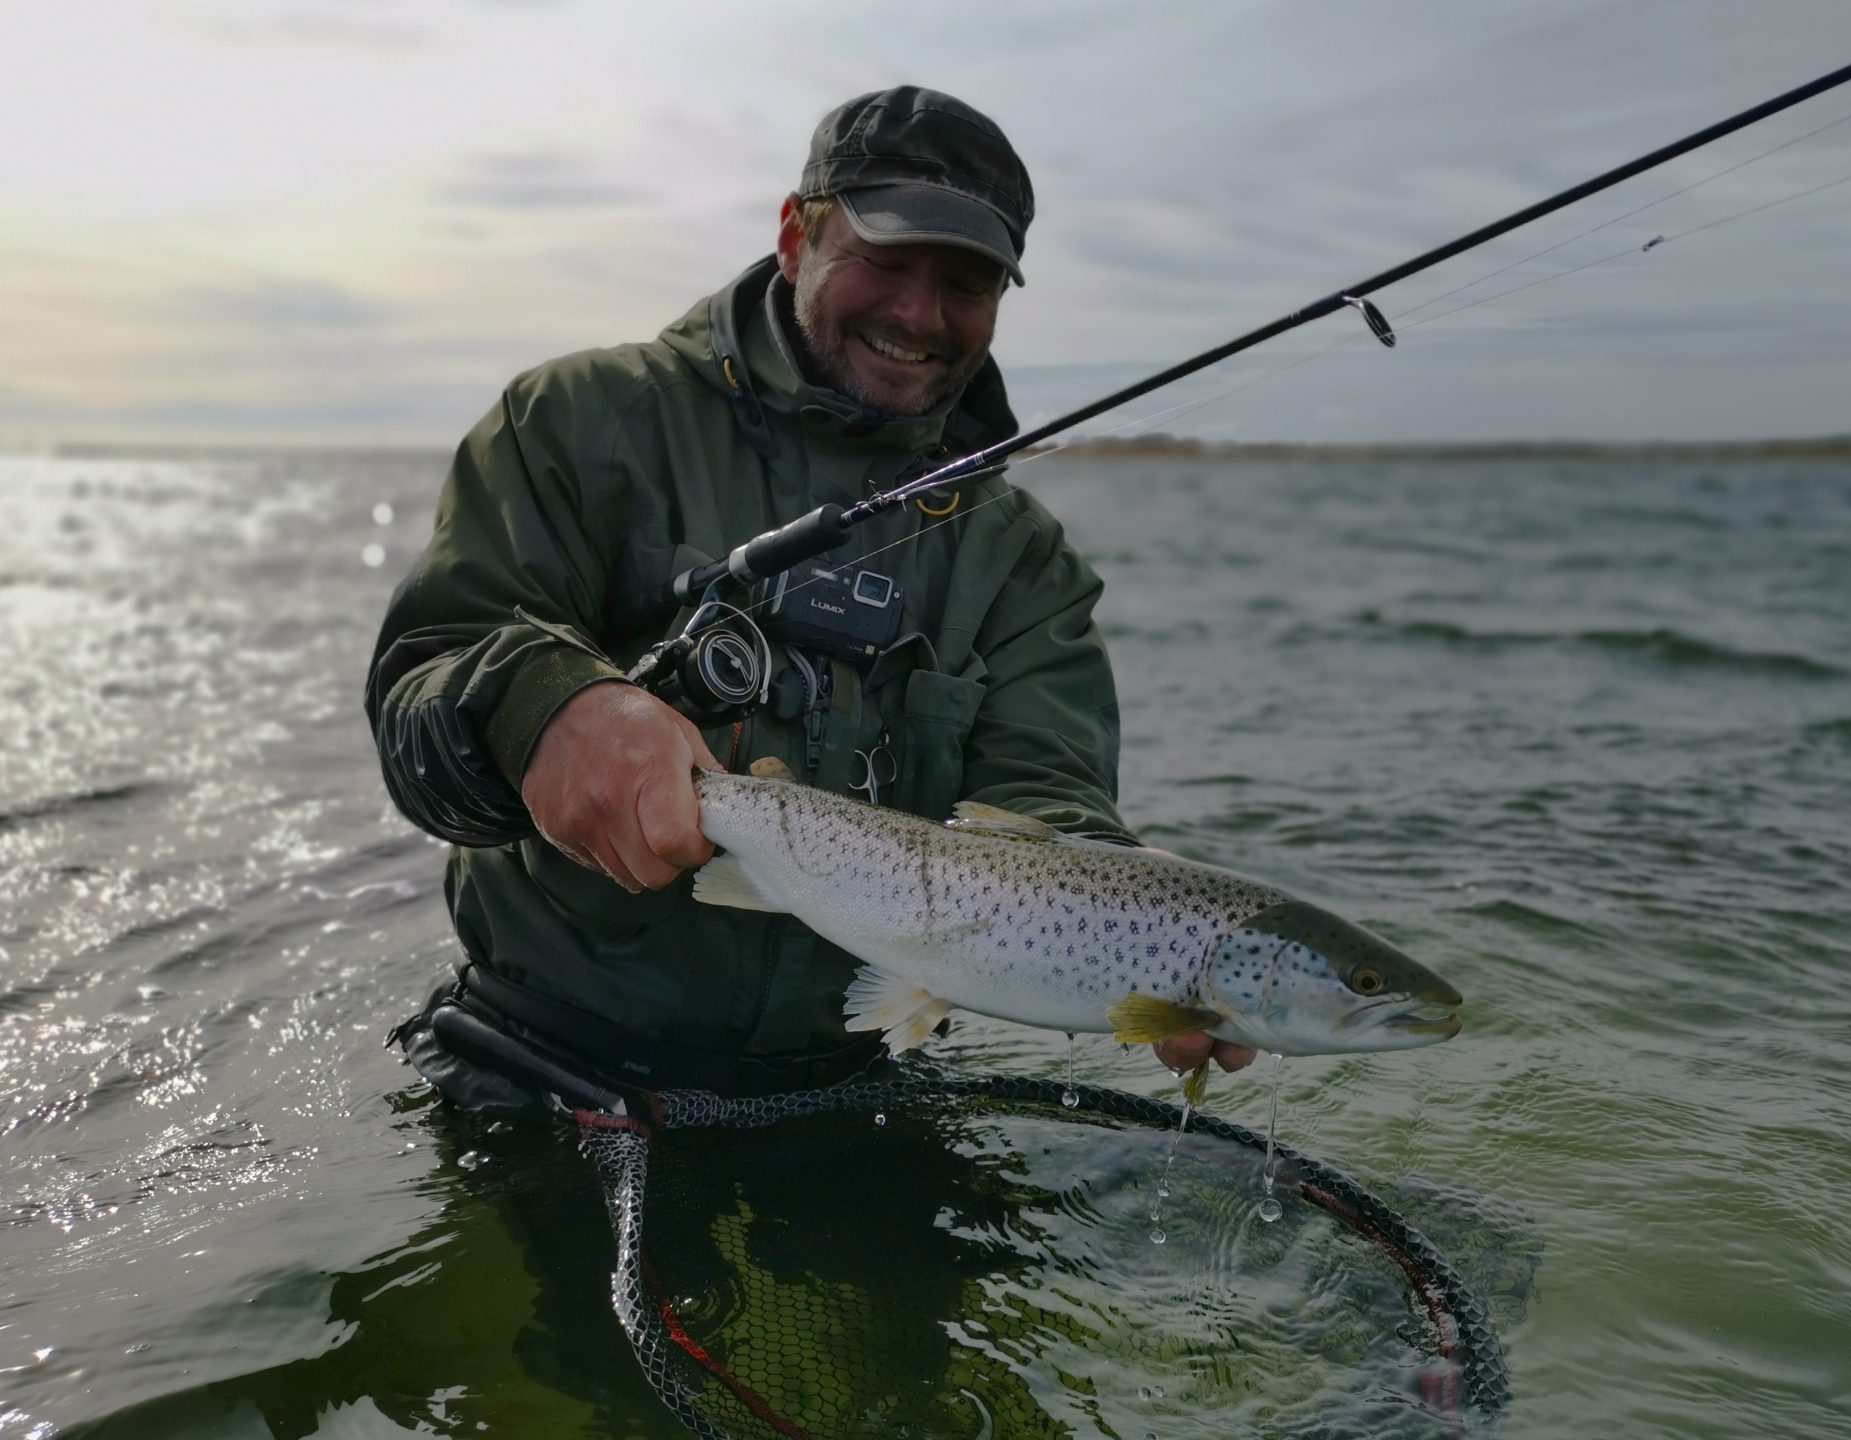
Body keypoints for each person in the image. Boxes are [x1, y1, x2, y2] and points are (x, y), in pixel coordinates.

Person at [367, 85, 1251, 1108]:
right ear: (797, 236)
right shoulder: (576, 421)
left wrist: (1153, 932)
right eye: (885, 260)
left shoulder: (1023, 560)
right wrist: (542, 705)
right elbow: (420, 691)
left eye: (966, 281)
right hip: (542, 1061)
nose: (919, 315)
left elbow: (1048, 804)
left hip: (859, 1082)